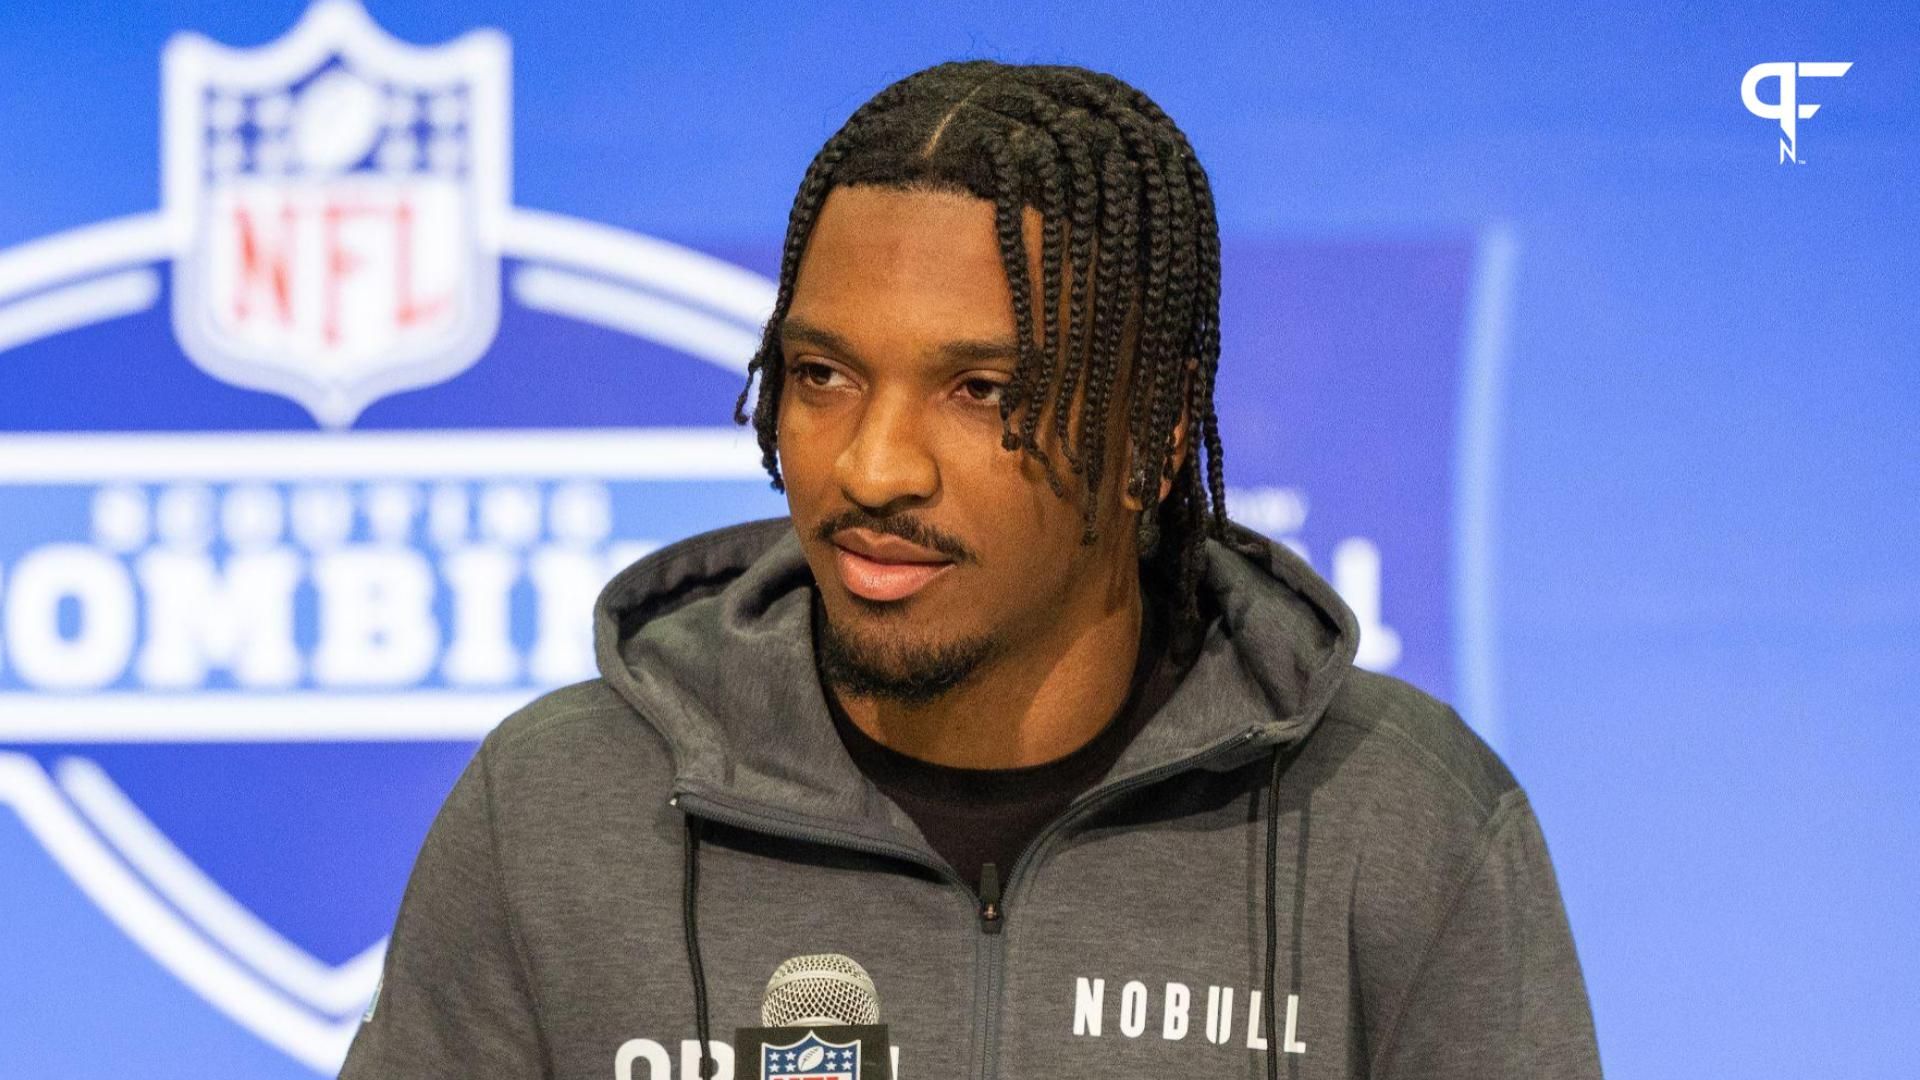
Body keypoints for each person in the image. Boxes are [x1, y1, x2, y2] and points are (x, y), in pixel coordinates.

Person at [340, 60, 1602, 1079]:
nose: (875, 465)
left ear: (1151, 439)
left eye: (981, 391)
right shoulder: (556, 811)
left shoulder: (1400, 825)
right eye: (824, 376)